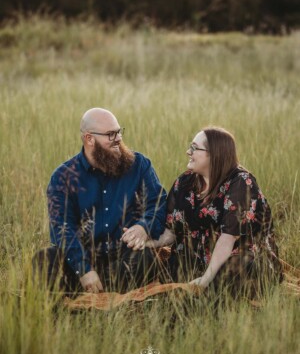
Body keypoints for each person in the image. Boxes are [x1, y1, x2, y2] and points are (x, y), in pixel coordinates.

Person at [33, 108, 167, 294]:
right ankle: (89, 290)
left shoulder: (139, 165)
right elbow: (62, 228)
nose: (119, 139)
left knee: (145, 259)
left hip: (124, 259)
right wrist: (84, 269)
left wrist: (144, 227)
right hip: (83, 259)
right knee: (44, 259)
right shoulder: (63, 177)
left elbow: (158, 203)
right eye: (111, 134)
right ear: (89, 139)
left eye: (119, 132)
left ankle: (92, 294)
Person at [146, 127, 282, 298]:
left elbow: (227, 239)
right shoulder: (185, 182)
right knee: (173, 270)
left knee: (231, 274)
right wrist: (145, 243)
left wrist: (204, 280)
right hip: (199, 255)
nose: (188, 152)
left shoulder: (241, 183)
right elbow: (172, 232)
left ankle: (207, 298)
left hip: (238, 255)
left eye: (195, 148)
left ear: (214, 154)